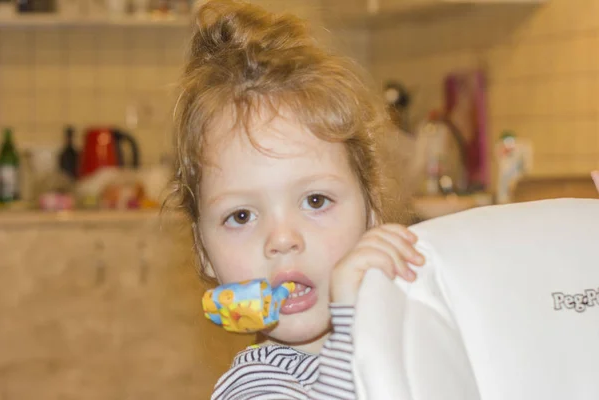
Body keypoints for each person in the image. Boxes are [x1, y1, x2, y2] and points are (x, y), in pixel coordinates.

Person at [170, 1, 424, 398]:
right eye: (240, 216)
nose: (283, 238)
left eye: (316, 201)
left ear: (372, 209)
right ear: (202, 249)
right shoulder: (254, 388)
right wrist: (350, 316)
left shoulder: (411, 343)